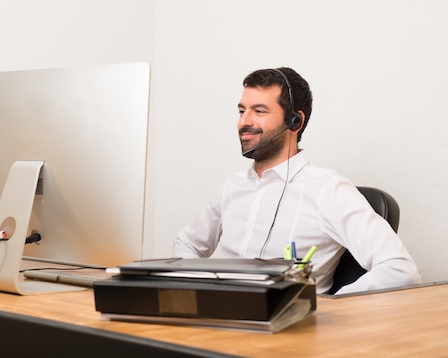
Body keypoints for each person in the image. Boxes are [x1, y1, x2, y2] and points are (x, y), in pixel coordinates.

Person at [172, 67, 420, 294]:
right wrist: (197, 286)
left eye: (258, 111)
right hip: (219, 321)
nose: (244, 121)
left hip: (285, 336)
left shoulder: (327, 191)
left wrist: (325, 307)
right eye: (241, 111)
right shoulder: (232, 187)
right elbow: (187, 242)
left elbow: (400, 270)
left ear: (295, 121)